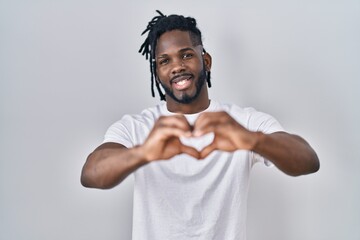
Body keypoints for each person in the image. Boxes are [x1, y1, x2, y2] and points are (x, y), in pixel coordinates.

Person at [81, 10, 320, 240]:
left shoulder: (242, 122)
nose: (177, 66)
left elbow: (308, 160)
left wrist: (251, 139)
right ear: (157, 72)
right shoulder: (136, 127)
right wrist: (143, 153)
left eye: (186, 55)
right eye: (165, 61)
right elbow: (91, 175)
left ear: (205, 60)